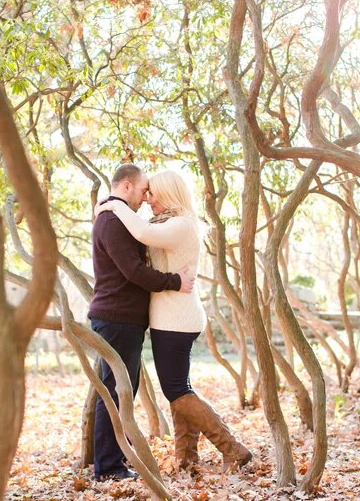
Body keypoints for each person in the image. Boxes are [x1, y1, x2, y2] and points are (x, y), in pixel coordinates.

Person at [95, 170, 252, 472]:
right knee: (179, 387)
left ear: (168, 195)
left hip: (177, 319)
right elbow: (141, 234)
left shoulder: (181, 224)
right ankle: (187, 459)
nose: (148, 199)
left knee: (177, 390)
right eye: (146, 192)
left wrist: (115, 205)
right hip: (170, 317)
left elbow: (142, 235)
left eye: (153, 193)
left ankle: (233, 449)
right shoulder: (164, 222)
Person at [88, 164, 195, 482]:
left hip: (124, 320)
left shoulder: (120, 219)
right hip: (116, 319)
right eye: (143, 189)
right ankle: (108, 468)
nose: (146, 197)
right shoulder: (112, 220)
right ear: (125, 187)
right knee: (116, 390)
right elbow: (134, 272)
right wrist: (175, 281)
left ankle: (113, 462)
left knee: (121, 390)